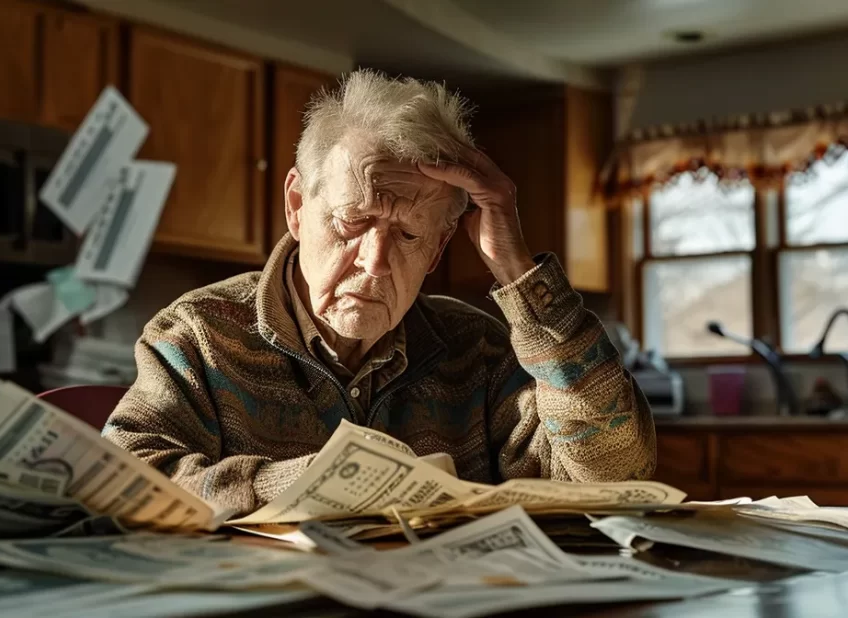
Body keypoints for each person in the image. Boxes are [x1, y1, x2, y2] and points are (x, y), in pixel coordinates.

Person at [103, 70, 656, 517]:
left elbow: (614, 476)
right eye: (353, 221)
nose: (375, 263)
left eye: (410, 234)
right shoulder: (198, 333)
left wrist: (518, 270)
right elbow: (122, 482)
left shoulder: (480, 351)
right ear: (297, 206)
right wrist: (297, 487)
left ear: (438, 250)